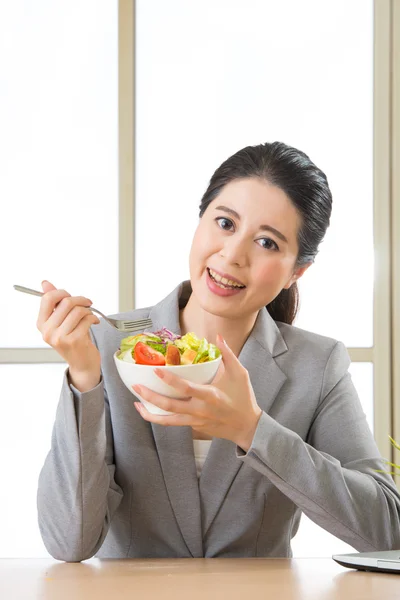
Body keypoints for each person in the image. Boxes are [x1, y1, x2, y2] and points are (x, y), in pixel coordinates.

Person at [37, 142, 400, 562]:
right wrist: (84, 378)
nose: (232, 255)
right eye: (225, 223)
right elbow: (68, 543)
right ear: (200, 222)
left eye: (267, 243)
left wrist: (254, 429)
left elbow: (388, 530)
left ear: (296, 272)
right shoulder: (107, 346)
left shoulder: (317, 366)